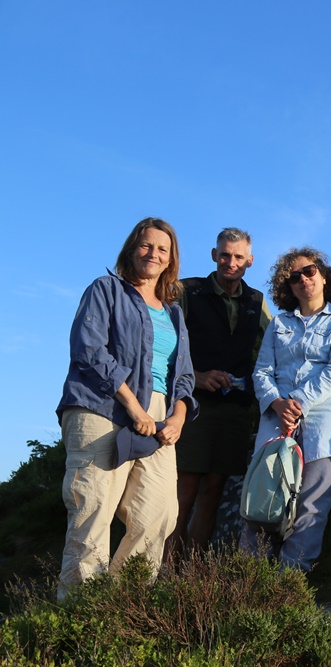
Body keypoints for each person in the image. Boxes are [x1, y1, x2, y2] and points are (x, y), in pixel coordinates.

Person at [55, 217, 197, 599]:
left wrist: (179, 417)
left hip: (158, 417)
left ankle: (122, 606)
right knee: (93, 512)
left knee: (160, 514)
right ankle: (79, 619)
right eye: (146, 245)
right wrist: (133, 407)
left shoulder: (174, 313)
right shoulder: (106, 290)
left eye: (162, 249)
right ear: (132, 248)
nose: (153, 254)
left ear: (171, 260)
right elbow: (89, 350)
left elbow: (183, 376)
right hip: (101, 407)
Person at [247, 248, 331, 570]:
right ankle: (248, 580)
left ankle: (287, 586)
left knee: (311, 507)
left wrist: (295, 402)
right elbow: (262, 371)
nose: (303, 280)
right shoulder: (278, 324)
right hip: (276, 417)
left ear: (323, 275)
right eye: (294, 277)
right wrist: (277, 403)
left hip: (327, 420)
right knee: (262, 499)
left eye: (309, 271)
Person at [169, 228, 271, 554]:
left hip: (236, 408)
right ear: (214, 255)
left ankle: (193, 573)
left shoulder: (257, 300)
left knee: (214, 489)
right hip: (193, 404)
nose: (231, 262)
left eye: (238, 257)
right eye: (225, 255)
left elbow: (274, 342)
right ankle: (166, 574)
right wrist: (195, 376)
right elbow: (166, 343)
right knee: (184, 489)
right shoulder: (188, 291)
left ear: (249, 261)